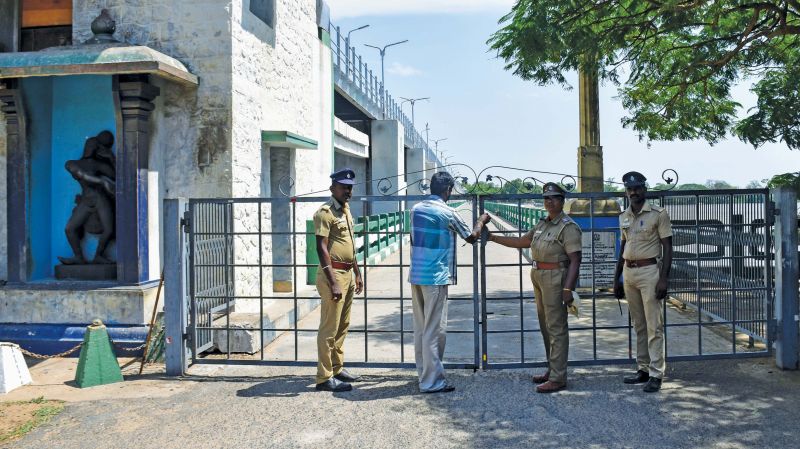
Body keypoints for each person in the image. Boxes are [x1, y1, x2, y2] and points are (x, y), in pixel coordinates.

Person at [486, 182, 582, 393]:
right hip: (538, 276)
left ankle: (558, 377)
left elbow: (576, 260)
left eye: (554, 198)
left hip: (556, 277)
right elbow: (522, 241)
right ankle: (552, 368)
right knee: (545, 326)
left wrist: (568, 289)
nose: (549, 201)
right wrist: (492, 237)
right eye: (546, 198)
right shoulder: (542, 224)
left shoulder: (568, 227)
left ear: (562, 201)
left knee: (556, 327)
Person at [409, 172, 490, 393]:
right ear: (448, 191)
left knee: (420, 329)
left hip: (416, 274)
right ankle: (432, 382)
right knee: (434, 331)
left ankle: (423, 374)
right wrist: (482, 220)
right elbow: (471, 237)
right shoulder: (448, 212)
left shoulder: (416, 209)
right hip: (435, 276)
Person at [612, 171, 673, 393]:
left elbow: (668, 247)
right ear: (626, 192)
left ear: (644, 190)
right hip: (629, 272)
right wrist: (616, 277)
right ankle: (643, 369)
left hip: (649, 272)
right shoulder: (624, 216)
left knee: (654, 325)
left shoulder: (658, 214)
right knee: (638, 325)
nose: (634, 192)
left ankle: (657, 374)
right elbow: (623, 247)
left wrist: (664, 278)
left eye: (637, 188)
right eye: (630, 189)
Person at [313, 168, 364, 392]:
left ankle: (337, 368)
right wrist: (333, 281)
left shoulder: (346, 211)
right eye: (343, 187)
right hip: (332, 275)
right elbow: (321, 247)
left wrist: (358, 272)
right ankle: (324, 378)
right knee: (329, 327)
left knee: (342, 325)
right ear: (332, 187)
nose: (347, 191)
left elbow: (349, 245)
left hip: (347, 274)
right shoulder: (325, 213)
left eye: (350, 187)